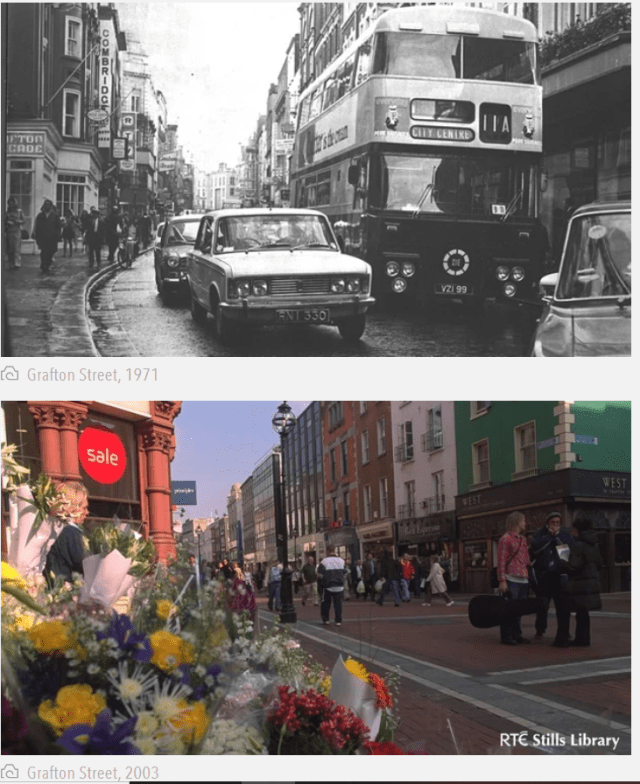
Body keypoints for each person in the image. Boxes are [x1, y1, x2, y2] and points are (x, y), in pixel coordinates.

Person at [530, 511, 574, 646]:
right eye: (553, 523)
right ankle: (540, 629)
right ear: (547, 523)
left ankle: (564, 631)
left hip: (559, 574)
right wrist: (549, 536)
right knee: (542, 604)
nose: (555, 525)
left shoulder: (565, 534)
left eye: (557, 523)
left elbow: (566, 554)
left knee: (561, 605)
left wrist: (557, 539)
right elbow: (535, 549)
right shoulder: (539, 534)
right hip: (544, 574)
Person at [43, 481, 89, 587]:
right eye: (84, 508)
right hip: (67, 594)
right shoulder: (70, 533)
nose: (87, 512)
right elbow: (86, 565)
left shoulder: (53, 528)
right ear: (71, 507)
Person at [497, 511, 532, 645]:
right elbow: (501, 560)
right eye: (523, 521)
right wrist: (502, 580)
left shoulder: (523, 539)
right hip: (511, 577)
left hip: (523, 577)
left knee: (520, 609)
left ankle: (517, 634)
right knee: (509, 608)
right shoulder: (505, 539)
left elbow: (526, 559)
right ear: (517, 522)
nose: (524, 523)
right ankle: (506, 635)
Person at [566, 518, 603, 647]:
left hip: (580, 584)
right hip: (591, 582)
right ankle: (584, 638)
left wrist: (563, 559)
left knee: (580, 614)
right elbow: (599, 563)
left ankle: (581, 639)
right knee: (584, 614)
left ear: (577, 530)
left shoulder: (578, 545)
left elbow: (574, 566)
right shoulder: (594, 544)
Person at [317, 545, 346, 626]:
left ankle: (326, 619)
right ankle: (338, 620)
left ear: (327, 551)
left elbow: (320, 573)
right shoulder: (341, 560)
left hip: (328, 585)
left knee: (326, 603)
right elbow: (345, 571)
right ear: (334, 550)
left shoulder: (324, 561)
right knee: (338, 604)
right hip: (339, 585)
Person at [33, 199, 60, 272]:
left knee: (51, 251)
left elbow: (58, 227)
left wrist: (57, 237)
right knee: (43, 251)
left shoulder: (55, 216)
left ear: (50, 206)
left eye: (48, 204)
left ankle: (47, 264)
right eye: (45, 204)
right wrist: (36, 236)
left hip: (52, 237)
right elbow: (37, 226)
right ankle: (44, 265)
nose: (46, 206)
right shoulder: (40, 215)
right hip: (43, 237)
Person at [5, 196, 25, 270]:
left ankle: (17, 263)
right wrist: (7, 222)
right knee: (10, 248)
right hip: (9, 231)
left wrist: (18, 221)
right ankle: (11, 263)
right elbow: (4, 221)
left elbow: (23, 220)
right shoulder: (7, 212)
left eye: (12, 203)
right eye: (9, 203)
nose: (11, 205)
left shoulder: (19, 211)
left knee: (17, 247)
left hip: (17, 230)